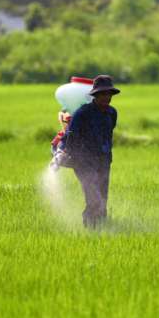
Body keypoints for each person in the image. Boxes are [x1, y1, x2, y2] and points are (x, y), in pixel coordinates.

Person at [62, 75, 119, 227]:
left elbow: (109, 133)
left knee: (103, 197)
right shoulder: (83, 113)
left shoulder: (112, 113)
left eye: (109, 94)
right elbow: (71, 136)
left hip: (104, 161)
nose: (106, 97)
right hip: (84, 162)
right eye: (103, 94)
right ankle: (90, 229)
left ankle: (102, 227)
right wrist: (65, 152)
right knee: (94, 198)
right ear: (95, 95)